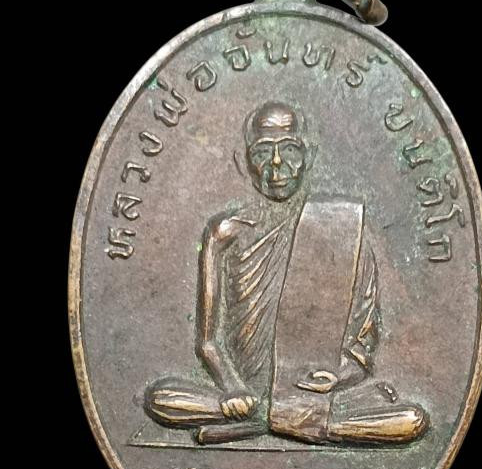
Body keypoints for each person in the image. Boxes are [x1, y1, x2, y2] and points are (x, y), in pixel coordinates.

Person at [144, 101, 428, 445]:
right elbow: (207, 342)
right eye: (263, 152)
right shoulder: (224, 233)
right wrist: (234, 389)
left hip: (312, 397)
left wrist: (339, 376)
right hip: (241, 397)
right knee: (160, 399)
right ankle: (297, 422)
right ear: (243, 161)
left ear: (309, 155)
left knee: (414, 420)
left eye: (290, 149)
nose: (277, 163)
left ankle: (284, 418)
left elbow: (362, 344)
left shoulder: (343, 228)